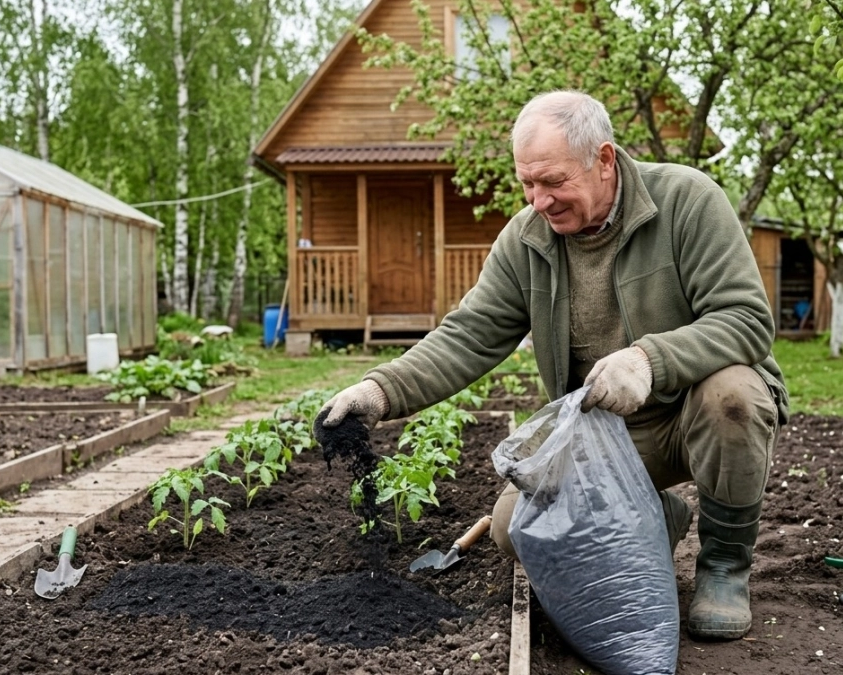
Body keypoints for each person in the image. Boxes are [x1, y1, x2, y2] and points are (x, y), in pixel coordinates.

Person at [318, 90, 789, 641]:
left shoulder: (687, 201)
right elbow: (468, 335)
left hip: (693, 414)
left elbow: (746, 319)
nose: (539, 200)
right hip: (605, 432)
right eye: (527, 183)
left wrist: (649, 361)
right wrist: (380, 391)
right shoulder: (527, 240)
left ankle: (724, 568)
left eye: (553, 182)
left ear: (605, 159)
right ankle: (655, 517)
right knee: (513, 528)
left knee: (733, 394)